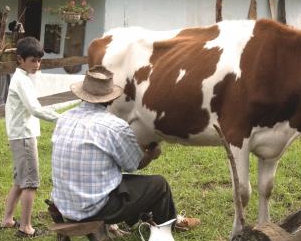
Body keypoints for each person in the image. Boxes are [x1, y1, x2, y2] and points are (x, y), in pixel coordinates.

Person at [50, 65, 200, 230]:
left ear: (82, 94)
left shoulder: (64, 118)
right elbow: (134, 165)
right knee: (159, 184)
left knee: (121, 181)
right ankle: (167, 227)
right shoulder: (114, 126)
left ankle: (143, 217)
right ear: (111, 98)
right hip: (94, 209)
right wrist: (151, 153)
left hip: (64, 204)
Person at [0, 37, 60, 237]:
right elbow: (34, 109)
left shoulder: (22, 78)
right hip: (24, 136)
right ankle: (26, 227)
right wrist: (60, 118)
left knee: (20, 181)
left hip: (19, 134)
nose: (37, 64)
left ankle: (8, 220)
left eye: (39, 60)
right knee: (30, 183)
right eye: (33, 60)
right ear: (20, 59)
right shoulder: (21, 80)